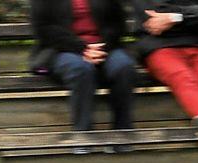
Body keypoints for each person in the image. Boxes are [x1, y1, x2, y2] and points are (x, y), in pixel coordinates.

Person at [29, 0, 136, 145]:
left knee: (124, 67)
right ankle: (83, 136)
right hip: (61, 49)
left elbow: (117, 23)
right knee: (80, 69)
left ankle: (122, 135)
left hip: (104, 47)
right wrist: (82, 48)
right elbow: (43, 29)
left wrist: (102, 48)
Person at [131, 0, 198, 126]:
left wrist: (174, 17)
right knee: (182, 77)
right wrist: (194, 17)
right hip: (160, 46)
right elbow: (153, 19)